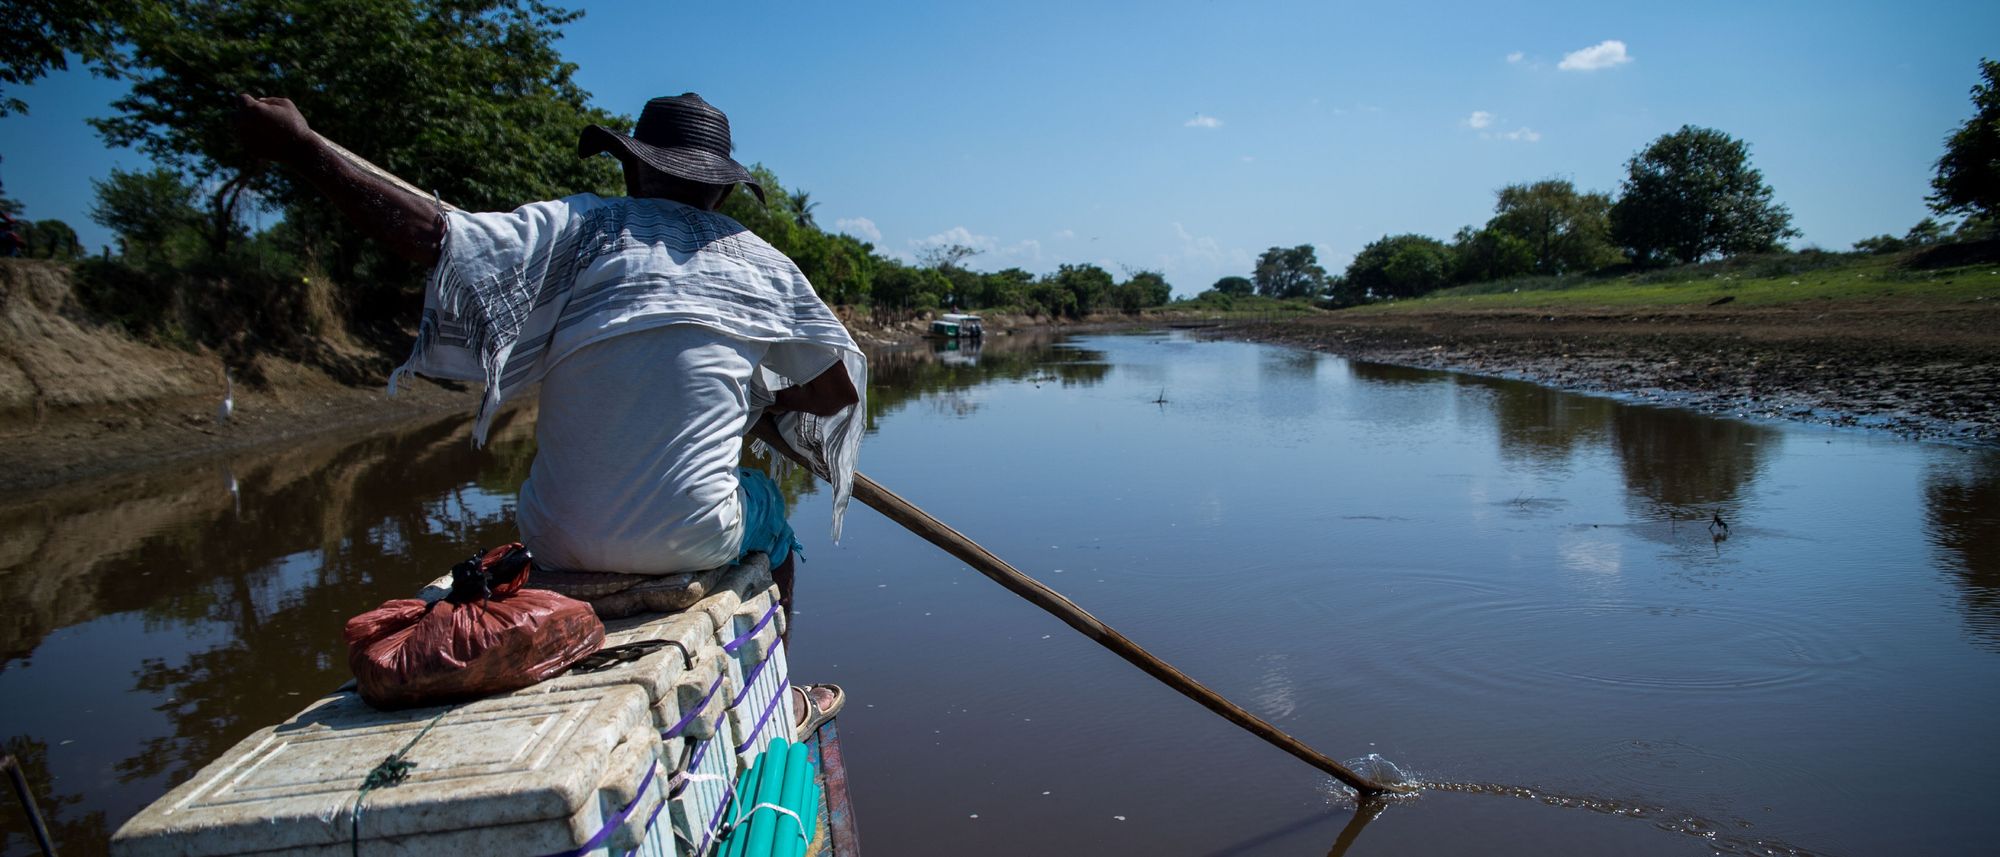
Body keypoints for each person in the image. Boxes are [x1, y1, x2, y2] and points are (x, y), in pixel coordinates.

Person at [233, 91, 860, 733]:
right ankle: (780, 698)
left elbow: (431, 234)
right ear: (723, 194)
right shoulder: (766, 266)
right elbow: (833, 394)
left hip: (553, 536)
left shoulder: (580, 228)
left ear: (629, 170)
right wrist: (758, 396)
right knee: (773, 519)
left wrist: (302, 150)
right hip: (694, 538)